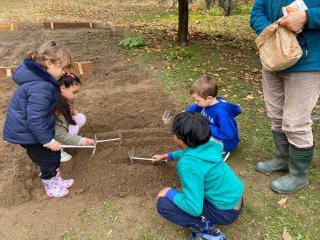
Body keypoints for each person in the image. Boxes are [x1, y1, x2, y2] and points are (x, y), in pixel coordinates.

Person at [250, 0, 320, 194]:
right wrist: (274, 31)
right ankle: (282, 159)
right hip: (273, 60)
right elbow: (256, 12)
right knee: (276, 115)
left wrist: (307, 17)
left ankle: (299, 175)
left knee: (295, 122)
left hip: (308, 62)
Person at [153, 112, 244, 240]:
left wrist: (168, 192)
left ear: (180, 138)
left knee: (164, 204)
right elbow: (187, 152)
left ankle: (205, 228)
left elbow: (194, 208)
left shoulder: (188, 166)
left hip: (224, 212)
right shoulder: (208, 144)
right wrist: (167, 156)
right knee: (193, 191)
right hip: (233, 199)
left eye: (174, 132)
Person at [3, 41, 75, 198]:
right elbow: (35, 119)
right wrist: (48, 141)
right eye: (62, 68)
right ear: (49, 63)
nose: (64, 73)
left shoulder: (42, 81)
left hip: (33, 130)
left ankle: (58, 181)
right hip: (28, 133)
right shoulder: (41, 86)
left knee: (54, 156)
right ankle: (51, 188)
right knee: (48, 161)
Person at [185, 75, 241, 161]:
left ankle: (222, 152)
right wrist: (186, 112)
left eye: (197, 100)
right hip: (212, 131)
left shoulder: (222, 113)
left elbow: (227, 134)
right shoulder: (208, 102)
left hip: (227, 142)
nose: (195, 102)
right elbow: (197, 107)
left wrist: (206, 126)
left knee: (198, 136)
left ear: (209, 98)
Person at [55, 73, 95, 162]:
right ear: (62, 88)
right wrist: (83, 141)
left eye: (78, 92)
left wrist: (71, 112)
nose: (77, 95)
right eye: (74, 92)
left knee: (80, 118)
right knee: (74, 128)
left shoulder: (63, 99)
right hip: (50, 136)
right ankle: (57, 151)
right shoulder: (56, 110)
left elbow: (66, 110)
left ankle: (69, 140)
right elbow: (59, 134)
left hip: (58, 128)